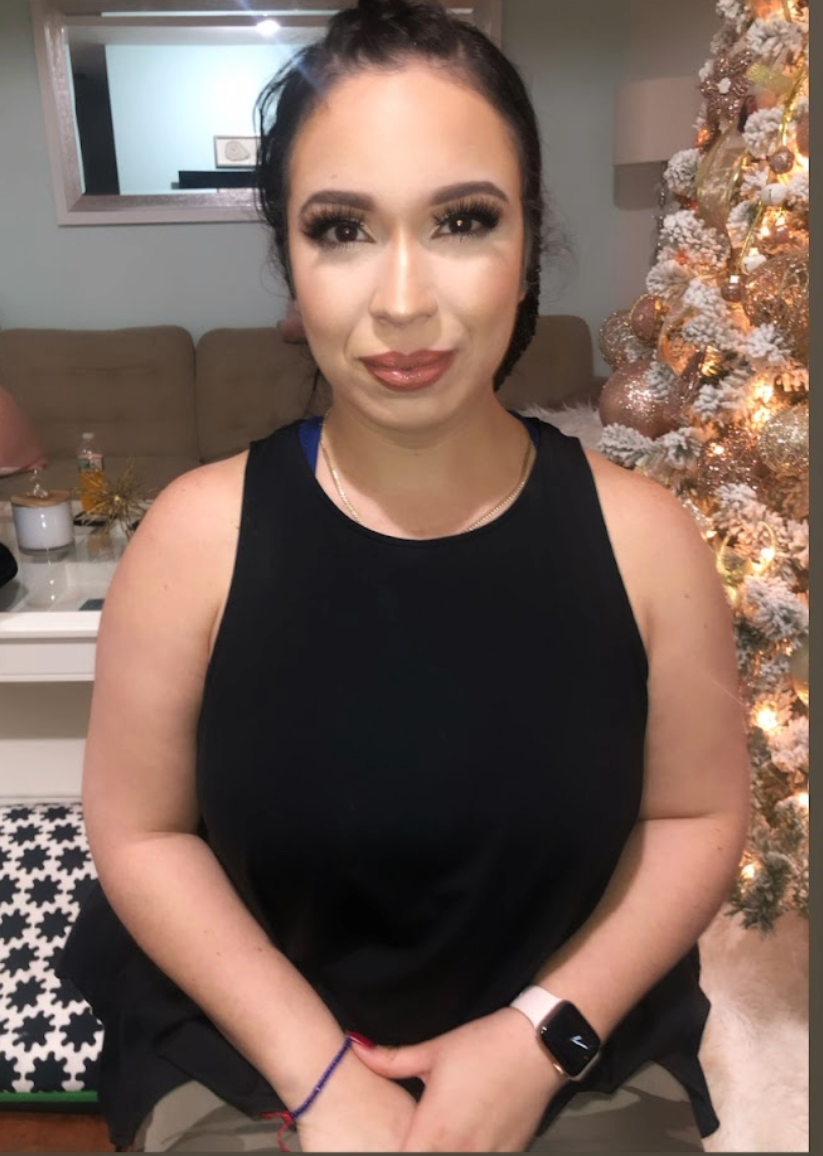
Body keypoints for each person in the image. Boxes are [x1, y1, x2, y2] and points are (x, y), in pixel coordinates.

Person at [58, 1, 750, 1151]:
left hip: (575, 1046)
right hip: (253, 1056)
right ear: (289, 257)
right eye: (342, 230)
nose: (401, 300)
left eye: (463, 220)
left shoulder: (648, 543)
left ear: (529, 238)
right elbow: (138, 833)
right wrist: (324, 1080)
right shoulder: (190, 541)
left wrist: (537, 1037)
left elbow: (695, 814)